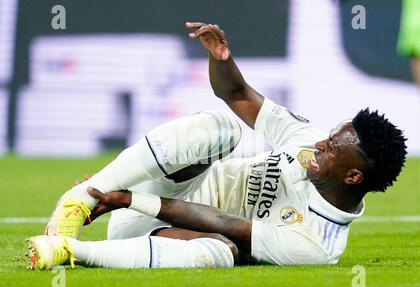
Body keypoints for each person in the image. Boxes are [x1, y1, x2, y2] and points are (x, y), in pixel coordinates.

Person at [26, 22, 407, 270]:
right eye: (328, 137)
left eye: (330, 148)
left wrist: (130, 201)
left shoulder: (317, 246)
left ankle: (69, 252)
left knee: (223, 251)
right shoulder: (310, 144)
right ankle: (80, 198)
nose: (319, 144)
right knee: (223, 129)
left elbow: (224, 223)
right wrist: (222, 59)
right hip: (163, 188)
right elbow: (235, 91)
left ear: (353, 175)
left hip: (162, 238)